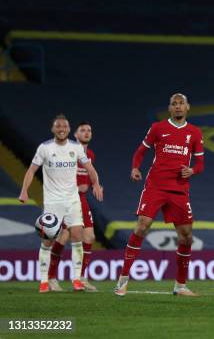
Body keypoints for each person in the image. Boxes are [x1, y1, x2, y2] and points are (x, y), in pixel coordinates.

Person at [114, 94, 204, 297]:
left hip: (180, 190)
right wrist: (135, 168)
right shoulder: (158, 128)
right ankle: (123, 280)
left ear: (187, 107)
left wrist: (193, 170)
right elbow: (140, 151)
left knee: (187, 236)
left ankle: (180, 286)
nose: (178, 107)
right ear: (170, 108)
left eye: (181, 104)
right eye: (174, 104)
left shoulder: (195, 133)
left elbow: (200, 164)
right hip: (156, 186)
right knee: (142, 225)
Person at [19, 114, 103, 293]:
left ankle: (79, 279)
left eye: (64, 126)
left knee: (83, 237)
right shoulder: (45, 148)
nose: (61, 129)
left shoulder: (81, 151)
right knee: (53, 239)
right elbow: (32, 169)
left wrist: (95, 184)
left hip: (75, 201)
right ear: (53, 129)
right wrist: (24, 190)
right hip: (54, 201)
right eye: (58, 126)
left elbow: (90, 169)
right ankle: (47, 279)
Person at [47, 121, 98, 292]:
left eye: (89, 130)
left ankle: (81, 278)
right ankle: (51, 278)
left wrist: (96, 185)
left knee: (89, 237)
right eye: (82, 130)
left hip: (82, 200)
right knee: (63, 236)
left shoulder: (90, 154)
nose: (86, 132)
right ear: (75, 135)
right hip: (67, 199)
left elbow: (88, 175)